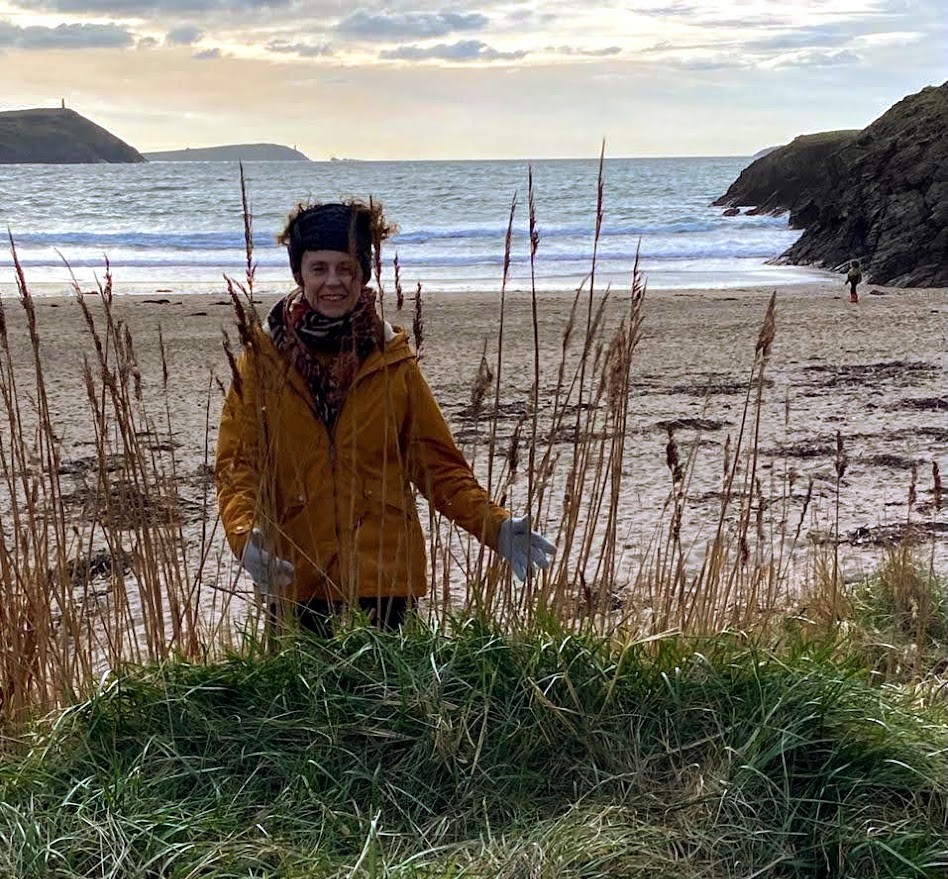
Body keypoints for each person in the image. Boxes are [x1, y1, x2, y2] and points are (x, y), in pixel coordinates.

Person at [215, 200, 555, 635]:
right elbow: (236, 465)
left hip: (386, 581)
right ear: (299, 274)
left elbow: (438, 468)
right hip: (296, 577)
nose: (333, 282)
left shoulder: (393, 359)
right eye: (319, 268)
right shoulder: (261, 360)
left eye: (347, 268)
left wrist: (495, 527)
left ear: (365, 272)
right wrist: (244, 537)